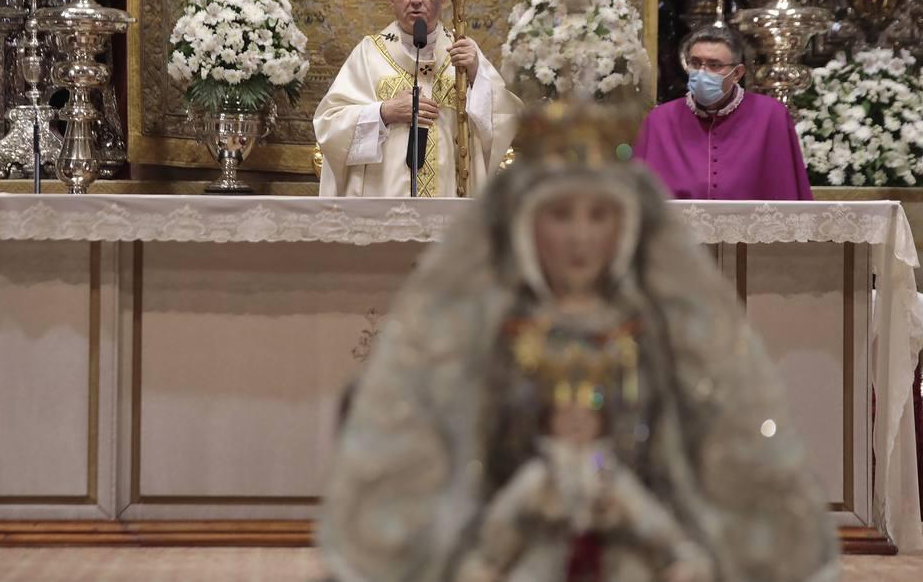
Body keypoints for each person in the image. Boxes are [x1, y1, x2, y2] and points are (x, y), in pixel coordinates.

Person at [320, 101, 838, 582]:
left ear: (627, 225)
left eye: (599, 216)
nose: (580, 238)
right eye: (560, 215)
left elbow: (676, 458)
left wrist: (648, 521)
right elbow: (467, 459)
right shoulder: (496, 333)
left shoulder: (649, 331)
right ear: (526, 223)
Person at [314, 0, 521, 197]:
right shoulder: (369, 53)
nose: (415, 0)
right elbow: (329, 126)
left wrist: (476, 76)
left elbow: (505, 120)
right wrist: (383, 113)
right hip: (383, 199)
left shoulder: (462, 54)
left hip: (450, 199)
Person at [632, 26, 812, 200]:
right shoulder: (660, 120)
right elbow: (638, 199)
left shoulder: (771, 116)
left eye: (714, 65)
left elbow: (788, 193)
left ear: (737, 73)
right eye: (695, 63)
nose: (702, 72)